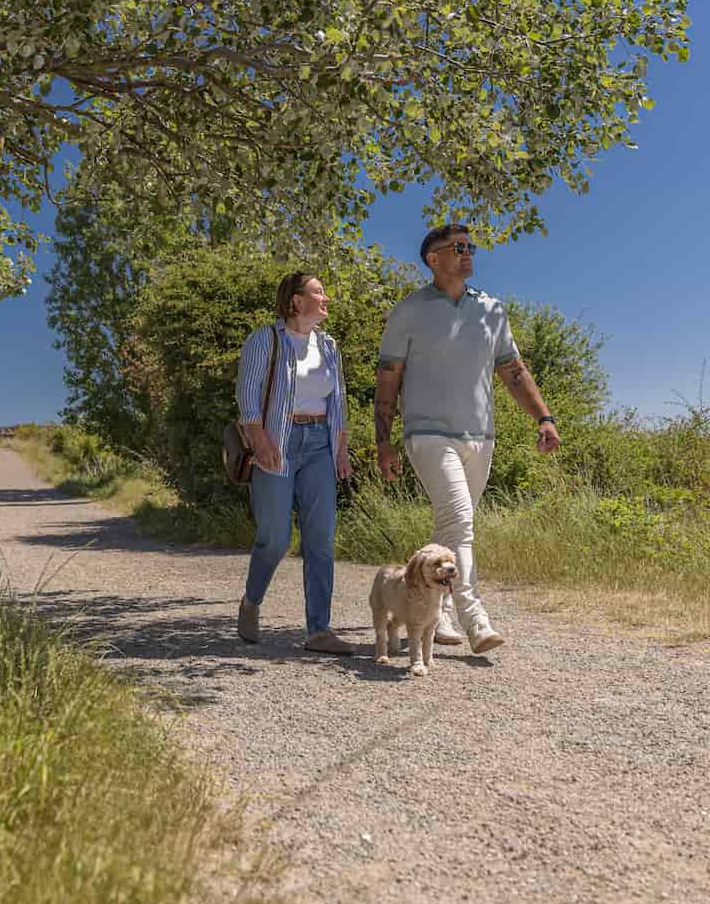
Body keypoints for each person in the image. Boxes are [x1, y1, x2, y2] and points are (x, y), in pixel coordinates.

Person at [374, 223, 560, 654]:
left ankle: (432, 618)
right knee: (461, 523)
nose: (467, 253)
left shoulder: (491, 309)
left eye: (469, 247)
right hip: (427, 433)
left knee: (449, 529)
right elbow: (388, 380)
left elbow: (513, 370)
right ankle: (475, 618)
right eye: (457, 248)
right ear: (432, 259)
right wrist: (383, 442)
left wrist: (544, 417)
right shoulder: (409, 310)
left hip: (480, 436)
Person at [235, 271, 355, 654]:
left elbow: (338, 401)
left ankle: (319, 630)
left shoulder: (329, 346)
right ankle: (252, 601)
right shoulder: (266, 339)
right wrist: (259, 439)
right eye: (319, 292)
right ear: (296, 301)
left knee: (320, 539)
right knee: (276, 539)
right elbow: (248, 395)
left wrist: (340, 448)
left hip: (320, 442)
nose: (326, 298)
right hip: (277, 440)